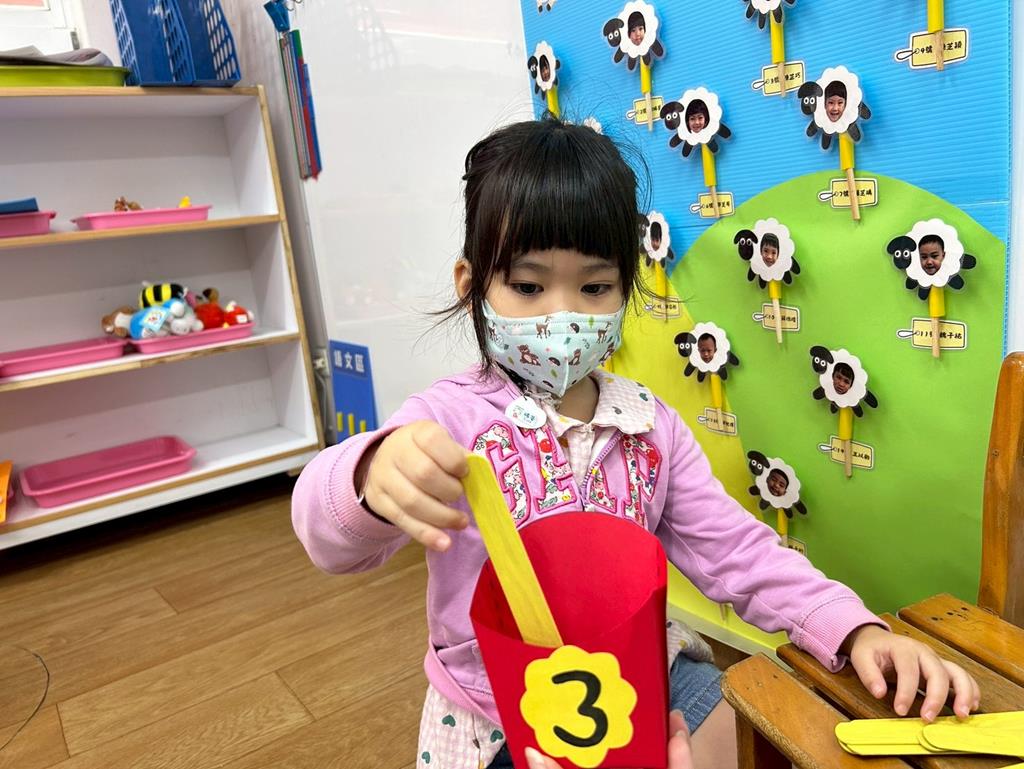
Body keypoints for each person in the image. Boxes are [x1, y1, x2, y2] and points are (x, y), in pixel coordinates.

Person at [291, 118, 980, 769]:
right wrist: (369, 475)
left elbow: (736, 551)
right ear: (473, 287)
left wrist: (855, 628)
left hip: (643, 674)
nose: (563, 314)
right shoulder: (446, 419)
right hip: (492, 706)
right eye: (528, 286)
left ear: (627, 289)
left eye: (595, 287)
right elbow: (329, 541)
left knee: (753, 734)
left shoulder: (650, 427)